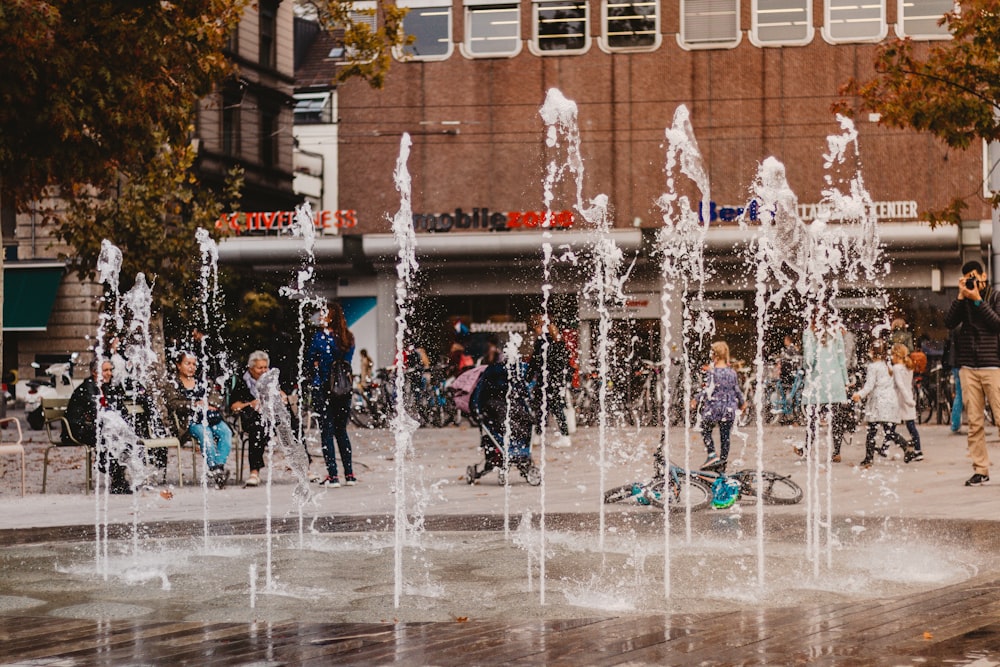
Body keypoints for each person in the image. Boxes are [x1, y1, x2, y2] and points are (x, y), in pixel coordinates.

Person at [943, 260, 1000, 486]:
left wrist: (978, 302)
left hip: (992, 366)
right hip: (968, 367)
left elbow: (997, 324)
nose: (972, 281)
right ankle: (981, 469)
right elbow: (948, 322)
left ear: (984, 276)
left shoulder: (995, 297)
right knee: (975, 422)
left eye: (975, 276)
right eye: (968, 278)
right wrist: (960, 297)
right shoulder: (963, 300)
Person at [164, 350, 232, 489]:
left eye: (194, 364)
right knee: (204, 432)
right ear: (178, 365)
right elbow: (172, 404)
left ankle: (217, 468)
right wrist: (193, 404)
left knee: (226, 432)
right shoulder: (173, 383)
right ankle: (215, 469)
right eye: (187, 363)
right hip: (190, 421)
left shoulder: (203, 381)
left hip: (210, 418)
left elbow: (217, 396)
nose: (192, 367)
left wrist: (210, 403)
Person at [307, 301, 356, 488]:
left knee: (327, 432)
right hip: (344, 389)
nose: (320, 316)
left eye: (323, 313)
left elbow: (310, 361)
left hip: (323, 389)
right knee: (341, 431)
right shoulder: (348, 337)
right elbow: (347, 361)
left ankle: (333, 476)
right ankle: (350, 474)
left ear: (331, 316)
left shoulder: (320, 337)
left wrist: (316, 368)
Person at [66, 358, 131, 494]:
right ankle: (112, 473)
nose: (109, 373)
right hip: (80, 428)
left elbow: (121, 409)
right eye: (105, 370)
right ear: (95, 373)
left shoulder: (107, 387)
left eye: (110, 370)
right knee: (108, 436)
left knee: (124, 436)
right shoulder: (87, 388)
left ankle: (117, 476)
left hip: (98, 427)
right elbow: (96, 413)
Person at [851, 340, 915, 468]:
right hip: (890, 401)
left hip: (878, 402)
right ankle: (905, 445)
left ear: (871, 352)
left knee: (872, 430)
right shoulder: (888, 365)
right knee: (888, 431)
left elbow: (869, 386)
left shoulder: (873, 367)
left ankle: (868, 458)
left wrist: (859, 394)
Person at [799, 319, 849, 462]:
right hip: (835, 382)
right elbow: (841, 360)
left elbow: (809, 360)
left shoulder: (809, 333)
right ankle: (837, 452)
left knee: (813, 418)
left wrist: (806, 369)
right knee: (837, 419)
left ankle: (807, 450)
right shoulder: (836, 333)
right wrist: (845, 381)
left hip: (817, 382)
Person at [694, 341, 745, 471]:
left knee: (704, 427)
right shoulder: (732, 372)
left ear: (714, 355)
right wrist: (742, 402)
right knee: (725, 436)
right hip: (728, 408)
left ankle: (712, 454)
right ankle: (722, 463)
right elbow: (736, 389)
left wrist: (696, 399)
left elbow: (707, 390)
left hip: (714, 407)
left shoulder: (712, 373)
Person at [229, 350, 276, 487]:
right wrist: (250, 403)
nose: (263, 371)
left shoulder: (271, 380)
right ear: (251, 368)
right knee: (258, 428)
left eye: (265, 367)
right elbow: (233, 406)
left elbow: (282, 395)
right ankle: (254, 472)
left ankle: (305, 468)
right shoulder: (242, 382)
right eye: (259, 367)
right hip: (251, 419)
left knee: (293, 424)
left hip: (271, 418)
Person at [527, 316, 571, 448]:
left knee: (544, 408)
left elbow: (535, 363)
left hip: (545, 381)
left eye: (536, 328)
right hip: (556, 381)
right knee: (552, 408)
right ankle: (561, 435)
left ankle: (542, 436)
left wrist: (527, 378)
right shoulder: (558, 340)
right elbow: (565, 362)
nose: (536, 331)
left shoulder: (542, 342)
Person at [891, 343, 923, 462]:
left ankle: (903, 446)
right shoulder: (908, 367)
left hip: (900, 399)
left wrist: (907, 400)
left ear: (897, 355)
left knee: (891, 426)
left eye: (892, 355)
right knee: (911, 426)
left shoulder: (896, 368)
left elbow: (900, 385)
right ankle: (918, 450)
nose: (891, 358)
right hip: (908, 396)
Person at [942, 325, 963, 434]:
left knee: (959, 394)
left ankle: (955, 424)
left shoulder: (954, 328)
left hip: (955, 363)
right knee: (962, 394)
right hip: (962, 363)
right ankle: (956, 424)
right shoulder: (963, 327)